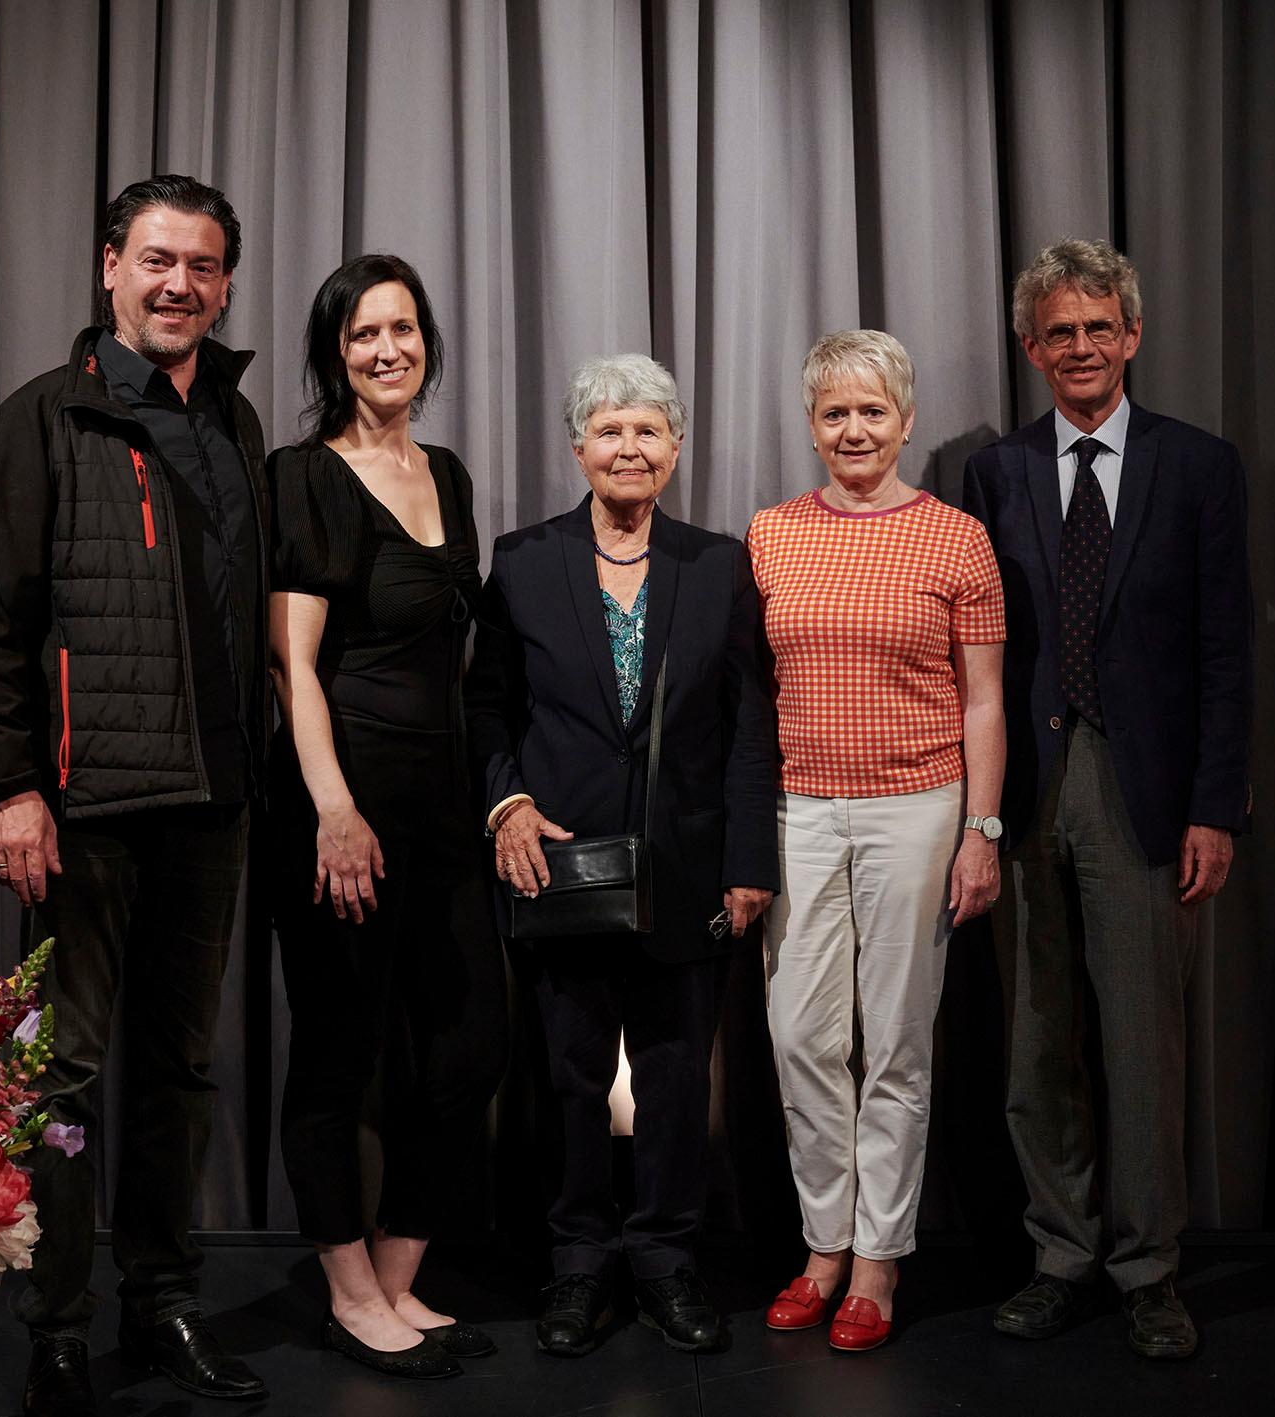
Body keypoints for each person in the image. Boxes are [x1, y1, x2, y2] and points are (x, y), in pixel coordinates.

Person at [0, 174, 269, 1416]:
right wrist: (9, 786)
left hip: (213, 805)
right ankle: (61, 1324)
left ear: (225, 283)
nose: (177, 283)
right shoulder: (48, 417)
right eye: (155, 260)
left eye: (200, 265)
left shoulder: (235, 425)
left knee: (180, 1071)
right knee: (64, 1079)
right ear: (109, 268)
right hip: (81, 810)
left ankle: (162, 1303)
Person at [954, 238, 1253, 1361]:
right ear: (1030, 348)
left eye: (1097, 328)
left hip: (1146, 791)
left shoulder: (1197, 465)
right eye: (1056, 332)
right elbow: (972, 654)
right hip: (1024, 789)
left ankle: (1147, 1267)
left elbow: (1225, 650)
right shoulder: (995, 474)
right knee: (1037, 1044)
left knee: (1140, 1043)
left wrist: (1213, 806)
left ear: (1129, 338)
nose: (1078, 348)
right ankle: (1058, 1254)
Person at [465, 354, 778, 1358]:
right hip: (557, 864)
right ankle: (575, 1261)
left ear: (675, 449)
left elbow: (745, 725)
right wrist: (505, 799)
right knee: (565, 1070)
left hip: (689, 866)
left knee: (679, 1072)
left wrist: (746, 856)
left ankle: (664, 1257)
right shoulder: (519, 559)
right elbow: (485, 707)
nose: (629, 448)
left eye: (648, 431)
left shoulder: (719, 563)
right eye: (609, 430)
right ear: (577, 448)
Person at [267, 253, 508, 1381]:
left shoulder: (446, 472)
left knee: (467, 1042)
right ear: (333, 354)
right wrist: (332, 810)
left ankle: (399, 1268)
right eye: (362, 335)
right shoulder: (302, 475)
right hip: (341, 801)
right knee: (336, 1049)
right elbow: (293, 665)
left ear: (427, 341)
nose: (386, 351)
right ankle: (349, 1288)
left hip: (443, 805)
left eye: (402, 330)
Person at [747, 329, 1007, 1353]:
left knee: (895, 1044)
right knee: (803, 1037)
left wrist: (980, 830)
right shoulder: (769, 534)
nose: (852, 429)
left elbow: (984, 701)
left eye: (870, 411)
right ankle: (820, 1244)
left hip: (917, 807)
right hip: (797, 811)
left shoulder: (954, 538)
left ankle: (874, 1264)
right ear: (811, 426)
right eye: (832, 413)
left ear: (904, 420)